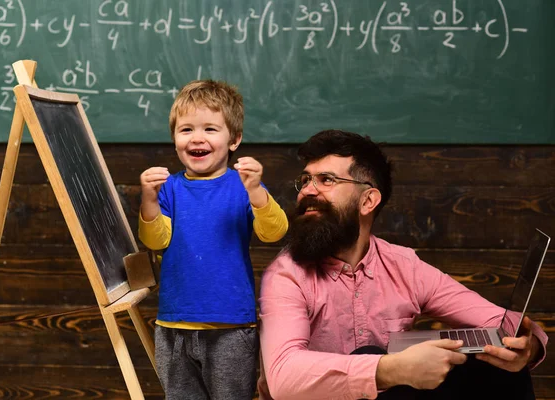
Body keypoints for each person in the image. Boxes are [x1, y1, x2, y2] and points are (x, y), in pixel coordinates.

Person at [258, 129, 548, 400]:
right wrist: (390, 368)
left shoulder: (404, 266)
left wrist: (528, 346)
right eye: (306, 179)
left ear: (368, 201)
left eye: (327, 180)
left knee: (498, 365)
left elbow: (500, 322)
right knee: (371, 356)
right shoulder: (287, 274)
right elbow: (282, 375)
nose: (307, 190)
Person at [138, 79, 288, 399]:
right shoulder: (169, 188)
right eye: (186, 129)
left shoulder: (244, 186)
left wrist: (257, 193)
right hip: (174, 324)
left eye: (210, 129)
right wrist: (149, 200)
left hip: (232, 327)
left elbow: (274, 232)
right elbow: (156, 241)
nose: (197, 138)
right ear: (175, 138)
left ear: (234, 139)